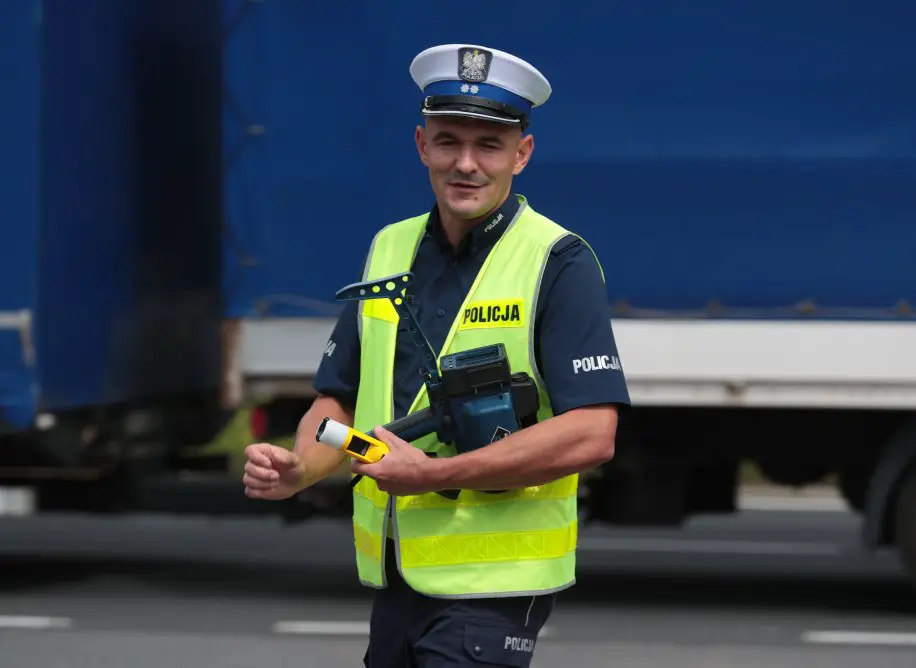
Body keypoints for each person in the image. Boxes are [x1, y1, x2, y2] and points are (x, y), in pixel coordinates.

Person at [242, 43, 631, 667]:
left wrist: (434, 475)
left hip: (495, 588)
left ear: (522, 154)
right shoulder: (389, 248)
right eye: (449, 141)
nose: (466, 164)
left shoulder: (558, 260)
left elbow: (593, 433)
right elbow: (339, 401)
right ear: (422, 145)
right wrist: (299, 470)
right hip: (397, 577)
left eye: (489, 146)